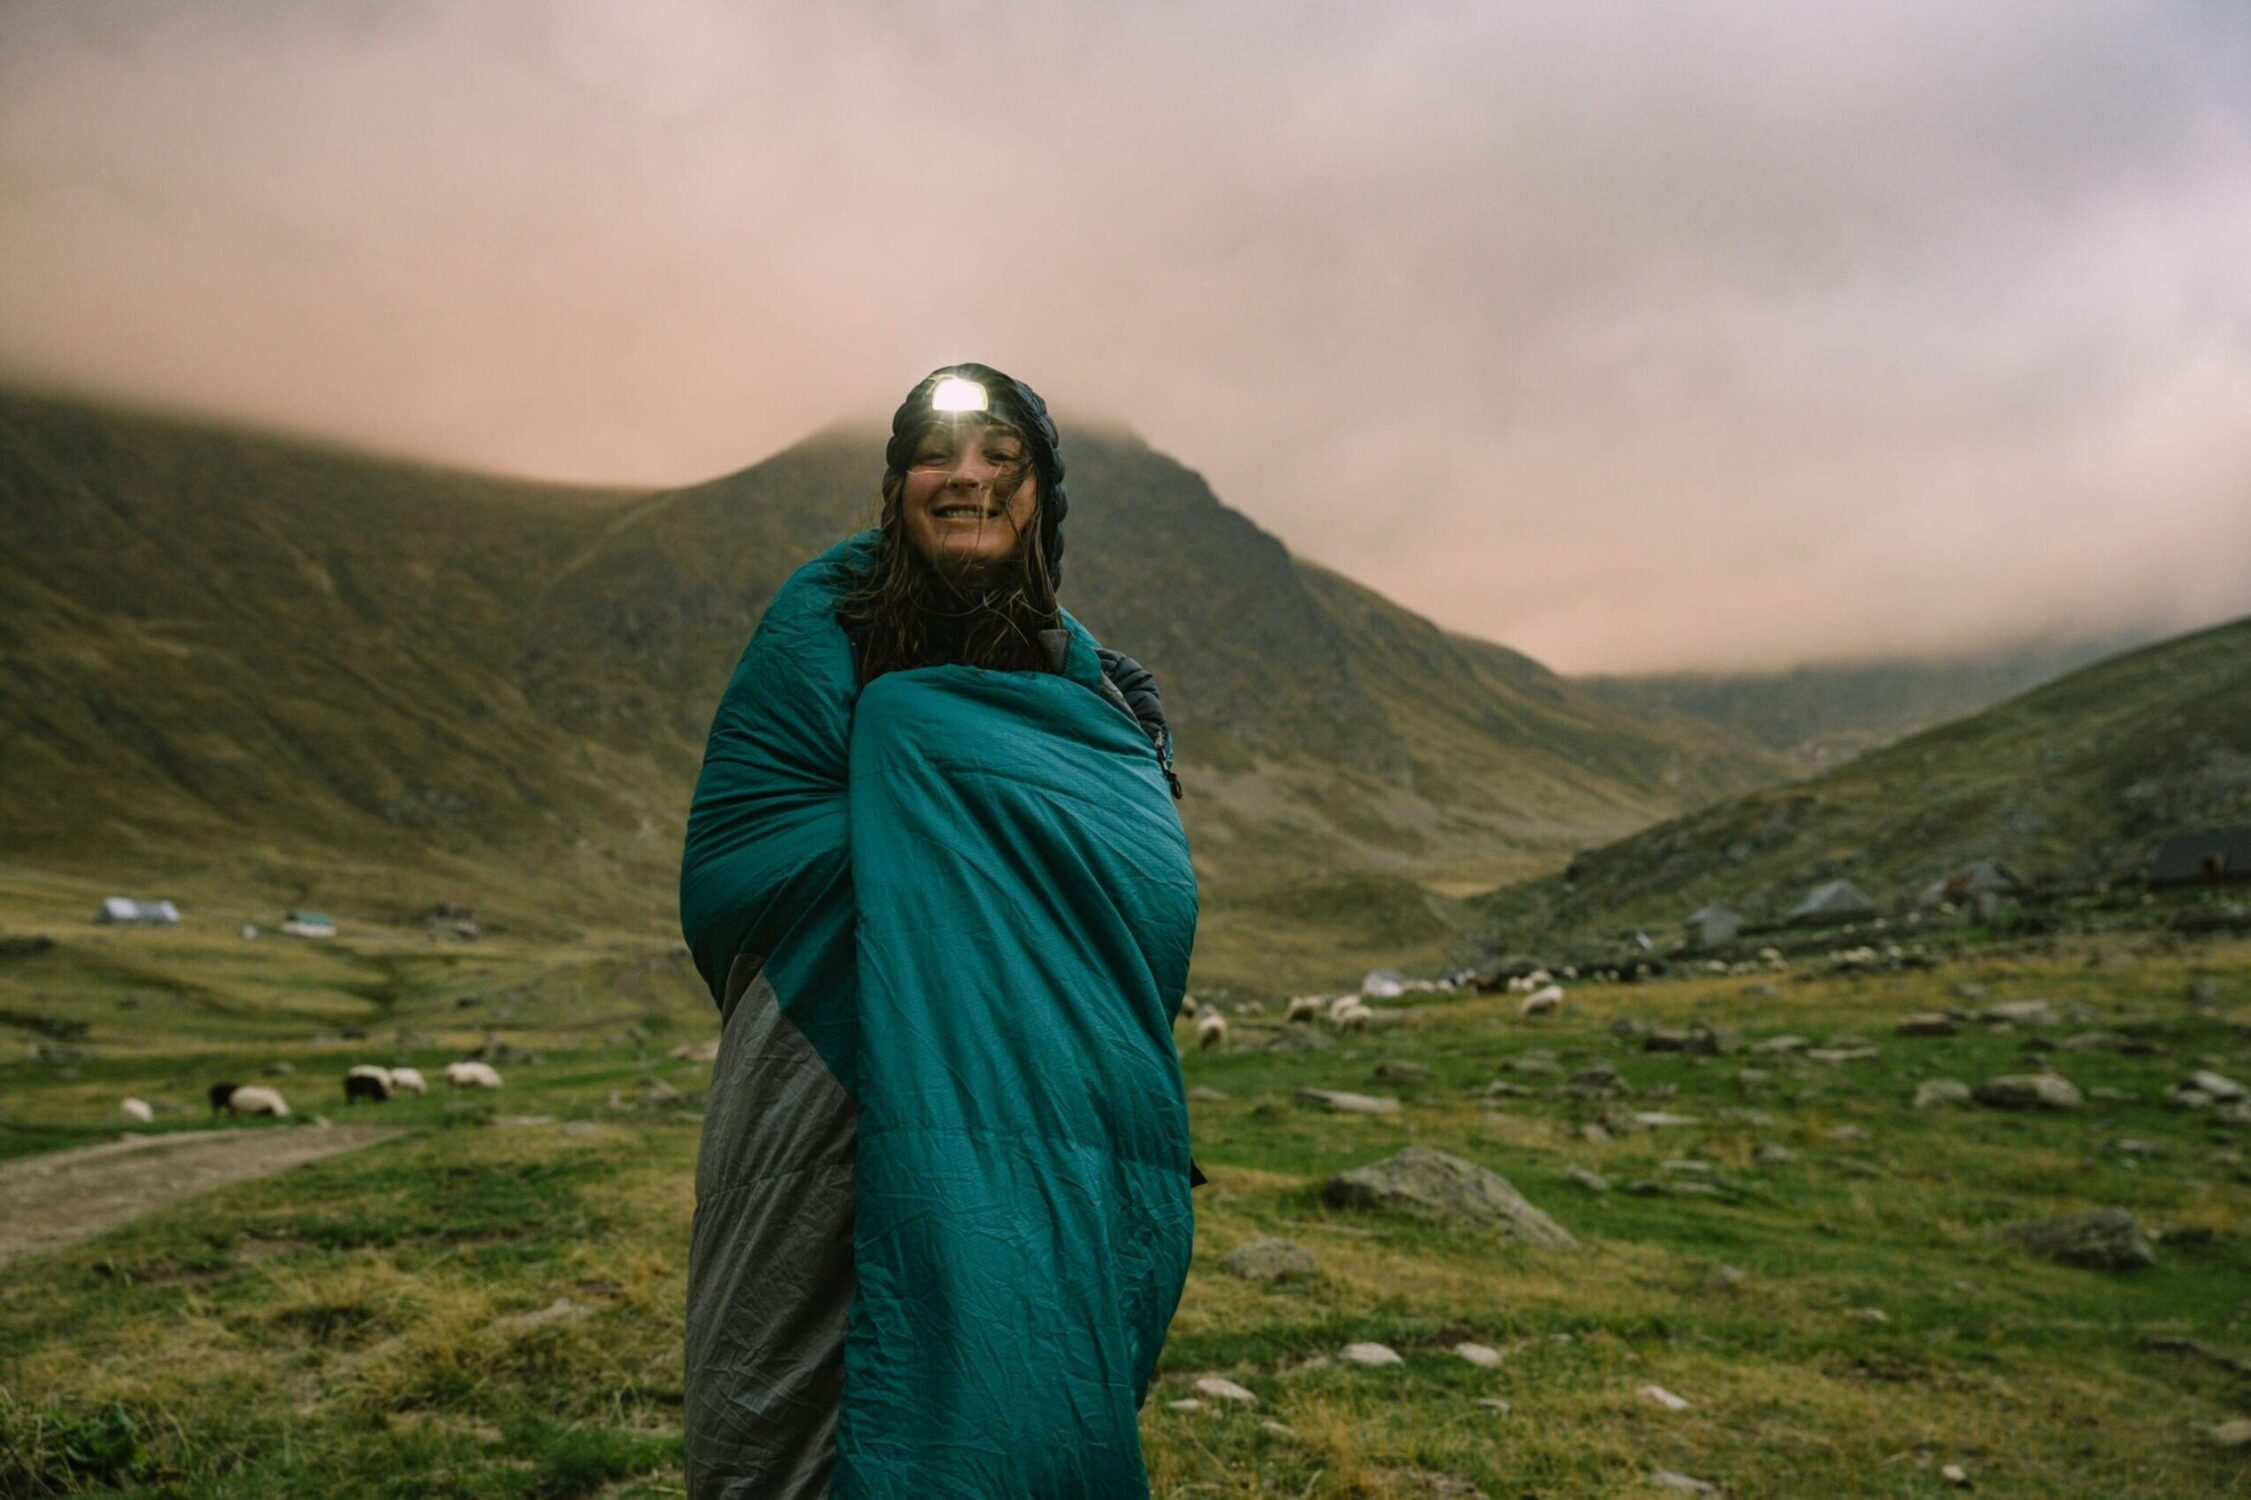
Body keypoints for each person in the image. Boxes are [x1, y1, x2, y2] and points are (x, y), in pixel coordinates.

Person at [679, 364, 1200, 1499]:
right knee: (790, 1368)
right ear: (897, 484)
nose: (967, 477)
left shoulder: (1090, 687)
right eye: (936, 452)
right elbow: (742, 850)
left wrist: (947, 843)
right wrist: (930, 839)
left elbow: (1138, 882)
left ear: (1041, 491)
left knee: (1027, 1340)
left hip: (1047, 1084)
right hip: (831, 1059)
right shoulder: (826, 625)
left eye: (1001, 454)